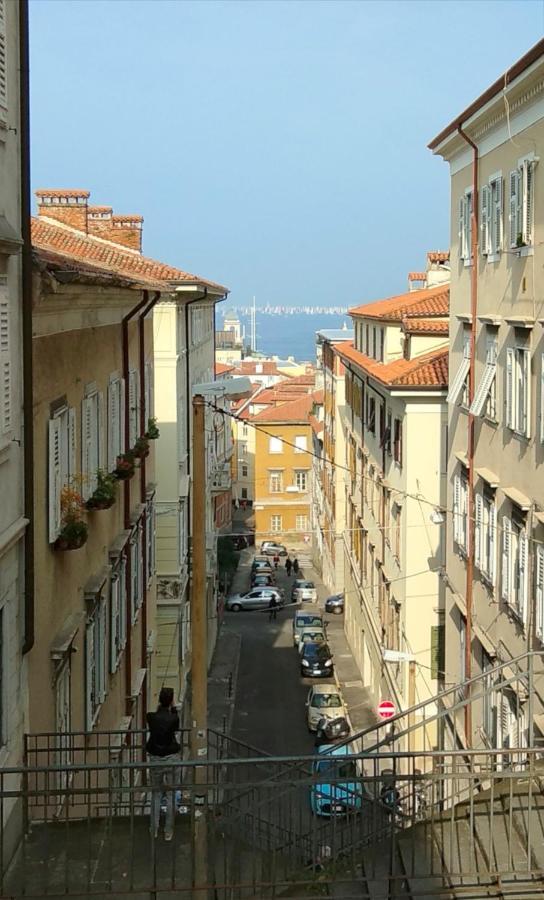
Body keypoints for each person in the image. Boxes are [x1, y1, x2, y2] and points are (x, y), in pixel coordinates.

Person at [146, 687, 180, 841]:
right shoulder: (174, 718)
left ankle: (154, 829)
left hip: (155, 758)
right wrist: (173, 709)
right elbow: (175, 727)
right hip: (171, 757)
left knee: (156, 793)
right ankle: (168, 831)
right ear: (171, 700)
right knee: (171, 794)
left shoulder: (151, 717)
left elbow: (154, 717)